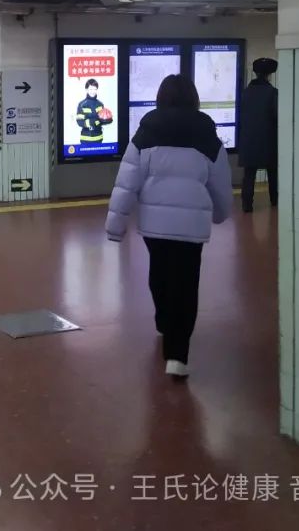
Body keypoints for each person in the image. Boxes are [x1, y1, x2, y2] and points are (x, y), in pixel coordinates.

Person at [105, 74, 233, 379]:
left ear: (161, 98)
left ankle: (164, 321)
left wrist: (115, 226)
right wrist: (220, 214)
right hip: (191, 227)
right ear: (193, 99)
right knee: (186, 284)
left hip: (155, 226)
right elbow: (221, 184)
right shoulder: (207, 136)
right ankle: (177, 356)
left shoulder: (146, 133)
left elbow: (127, 182)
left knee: (160, 273)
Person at [238, 57, 279, 213]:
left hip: (248, 140)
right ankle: (274, 201)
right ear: (269, 75)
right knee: (273, 172)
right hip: (269, 140)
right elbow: (277, 116)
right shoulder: (273, 93)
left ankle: (247, 205)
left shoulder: (245, 93)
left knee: (249, 175)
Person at [75, 79, 114, 145]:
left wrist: (106, 120)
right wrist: (92, 122)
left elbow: (101, 120)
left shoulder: (100, 104)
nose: (93, 91)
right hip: (86, 139)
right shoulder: (81, 104)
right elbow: (79, 122)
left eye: (95, 89)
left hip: (99, 138)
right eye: (90, 89)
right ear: (86, 90)